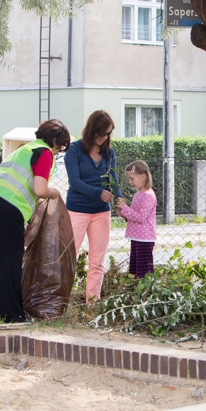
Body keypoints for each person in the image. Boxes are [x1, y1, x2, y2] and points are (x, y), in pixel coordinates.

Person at [0, 119, 70, 323]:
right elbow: (40, 189)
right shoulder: (44, 152)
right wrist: (54, 192)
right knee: (10, 260)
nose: (57, 153)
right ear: (54, 141)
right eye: (59, 148)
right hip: (6, 206)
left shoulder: (25, 149)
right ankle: (13, 314)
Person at [64, 110, 120, 302]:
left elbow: (114, 180)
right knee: (68, 258)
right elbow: (74, 182)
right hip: (77, 210)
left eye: (108, 134)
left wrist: (119, 200)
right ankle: (60, 303)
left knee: (97, 262)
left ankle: (92, 305)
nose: (105, 137)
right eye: (102, 133)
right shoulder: (74, 150)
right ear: (92, 130)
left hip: (101, 212)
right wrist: (98, 193)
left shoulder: (109, 153)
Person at [116, 160, 157, 278]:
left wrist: (125, 208)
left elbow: (140, 218)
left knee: (143, 272)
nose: (130, 182)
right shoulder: (138, 195)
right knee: (134, 270)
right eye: (129, 179)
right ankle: (136, 287)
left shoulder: (148, 196)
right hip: (136, 237)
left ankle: (145, 288)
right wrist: (122, 213)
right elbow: (133, 216)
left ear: (143, 177)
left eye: (132, 178)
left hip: (144, 239)